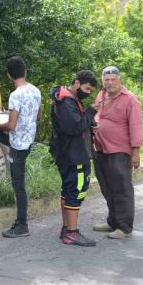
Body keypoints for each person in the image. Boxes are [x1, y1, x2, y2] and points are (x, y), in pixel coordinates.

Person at [0, 56, 42, 238]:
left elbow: (11, 126)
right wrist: (6, 113)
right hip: (27, 141)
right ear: (25, 71)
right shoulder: (35, 91)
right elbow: (38, 116)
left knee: (18, 185)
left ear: (8, 75)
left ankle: (22, 225)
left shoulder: (15, 95)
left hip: (17, 147)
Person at [91, 66, 143, 240]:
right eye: (106, 79)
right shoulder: (101, 95)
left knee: (122, 189)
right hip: (100, 148)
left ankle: (124, 226)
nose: (110, 83)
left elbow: (136, 127)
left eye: (113, 79)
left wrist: (135, 152)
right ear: (103, 81)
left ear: (120, 80)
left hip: (119, 150)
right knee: (107, 187)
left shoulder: (130, 100)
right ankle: (112, 221)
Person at [49, 70, 100, 246]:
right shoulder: (66, 101)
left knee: (68, 190)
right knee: (77, 190)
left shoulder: (67, 99)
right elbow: (75, 126)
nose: (88, 93)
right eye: (86, 89)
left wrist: (90, 124)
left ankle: (66, 228)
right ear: (76, 83)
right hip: (73, 155)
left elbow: (77, 123)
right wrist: (91, 111)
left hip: (67, 153)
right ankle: (71, 232)